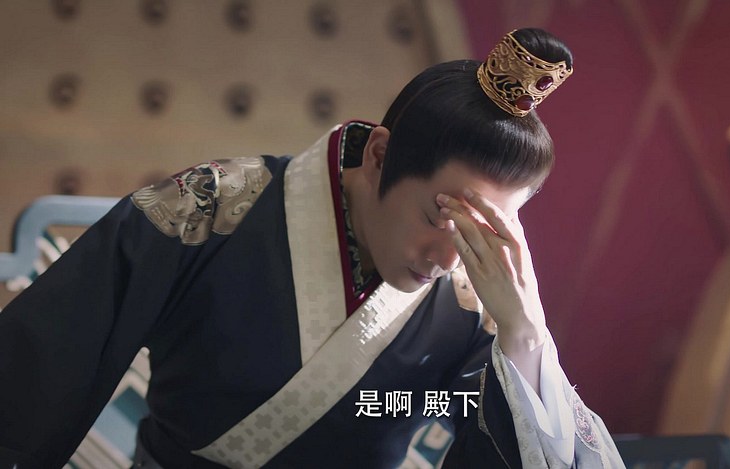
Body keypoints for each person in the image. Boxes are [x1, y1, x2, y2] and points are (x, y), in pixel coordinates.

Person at [0, 28, 625, 468]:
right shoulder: (213, 210)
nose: (447, 259)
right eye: (440, 215)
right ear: (380, 155)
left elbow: (473, 417)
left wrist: (525, 334)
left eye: (480, 233)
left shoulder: (471, 310)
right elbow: (45, 361)